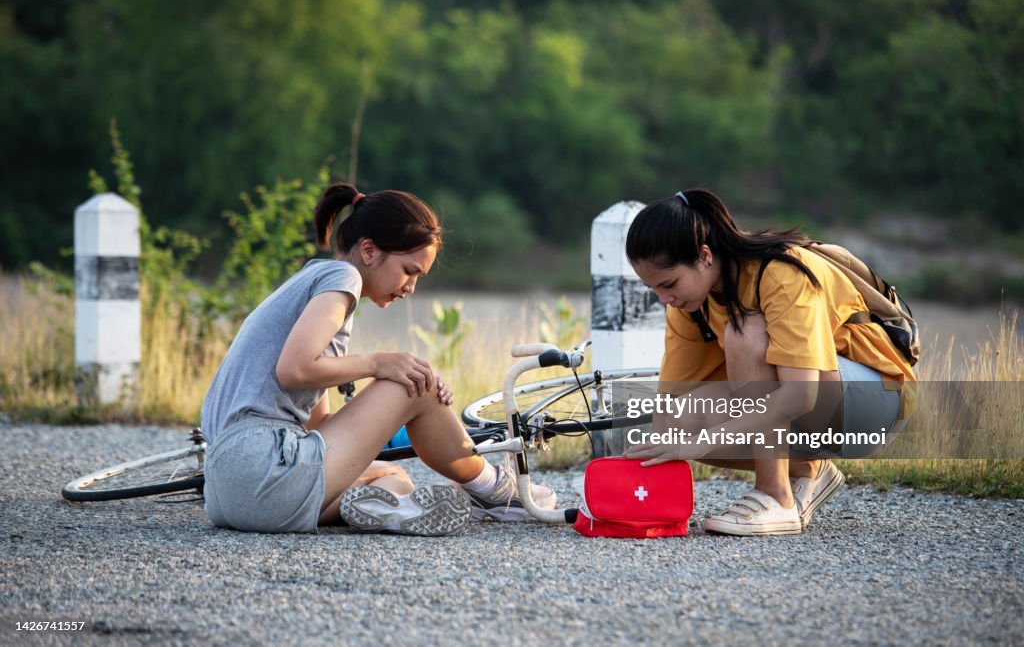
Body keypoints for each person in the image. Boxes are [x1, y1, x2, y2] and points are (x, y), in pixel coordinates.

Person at [200, 183, 555, 535]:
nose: (411, 287)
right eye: (409, 270)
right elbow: (294, 369)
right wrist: (385, 369)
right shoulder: (343, 276)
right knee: (415, 382)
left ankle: (394, 509)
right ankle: (493, 492)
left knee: (392, 477)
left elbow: (317, 426)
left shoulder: (312, 283)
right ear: (368, 251)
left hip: (230, 493)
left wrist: (385, 416)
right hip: (262, 465)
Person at [623, 189, 915, 535]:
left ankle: (776, 496)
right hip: (818, 407)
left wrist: (703, 442)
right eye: (653, 288)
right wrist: (638, 495)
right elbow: (669, 412)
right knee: (677, 422)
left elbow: (799, 396)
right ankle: (807, 470)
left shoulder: (781, 272)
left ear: (704, 256)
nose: (664, 299)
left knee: (745, 333)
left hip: (873, 404)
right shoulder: (688, 304)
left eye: (668, 284)